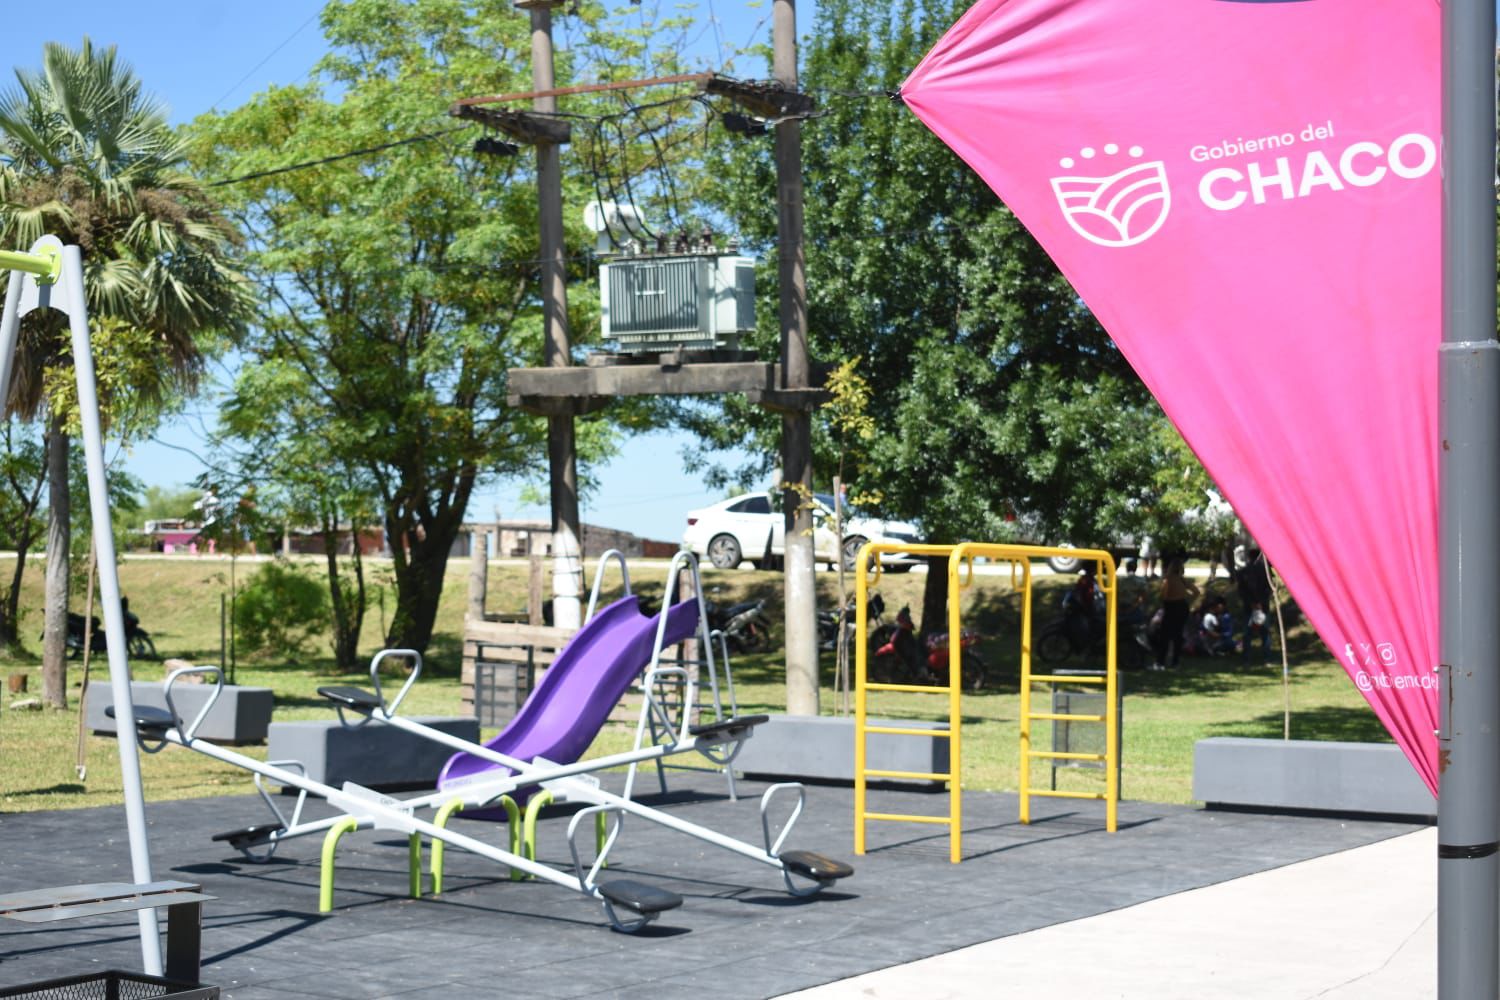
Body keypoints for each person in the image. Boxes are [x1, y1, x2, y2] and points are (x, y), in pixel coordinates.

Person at [1152, 557, 1199, 670]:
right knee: (1178, 635)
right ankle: (1175, 662)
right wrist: (1187, 599)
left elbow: (1164, 596)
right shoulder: (1182, 580)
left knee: (1164, 635)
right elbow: (1196, 592)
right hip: (1182, 607)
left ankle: (1160, 662)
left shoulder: (1168, 580)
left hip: (1171, 607)